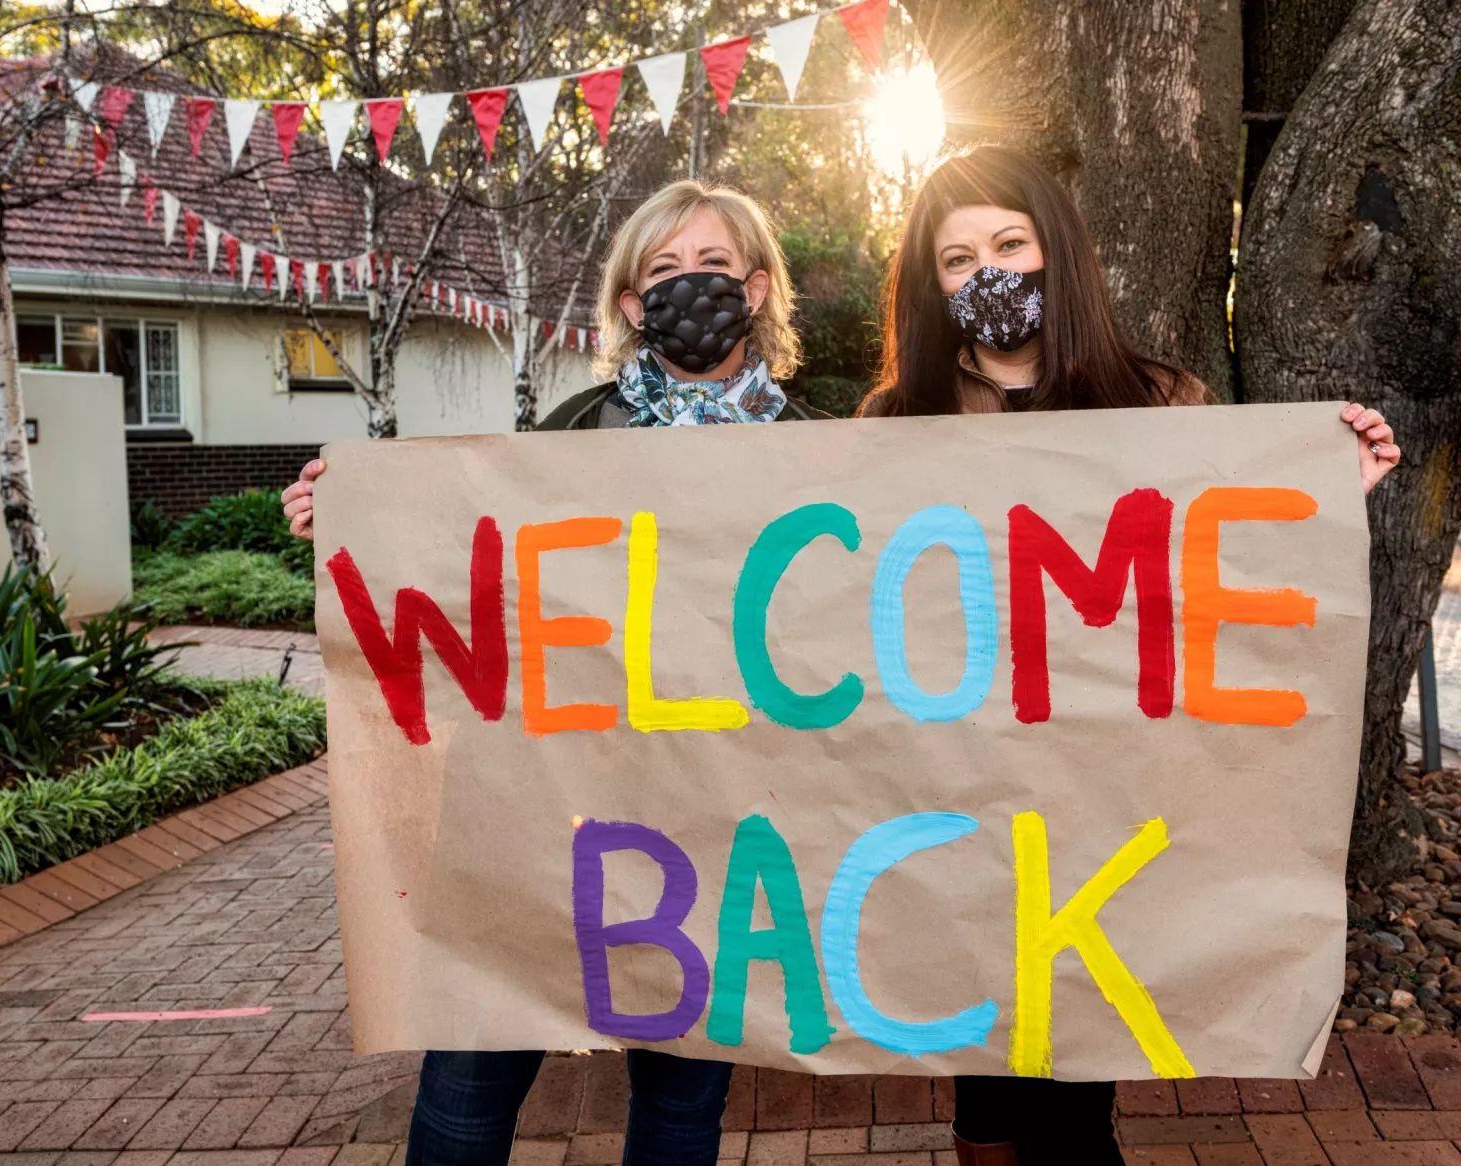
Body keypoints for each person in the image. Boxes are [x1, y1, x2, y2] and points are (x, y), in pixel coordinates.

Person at [859, 145, 1400, 1166]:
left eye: (1009, 243)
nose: (988, 271)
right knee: (982, 1092)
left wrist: (1330, 492)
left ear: (1056, 252)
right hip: (957, 801)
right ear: (930, 285)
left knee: (1069, 1092)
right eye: (957, 256)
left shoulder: (1157, 403)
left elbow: (1223, 570)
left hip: (1101, 803)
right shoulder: (895, 424)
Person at [281, 179, 829, 1165]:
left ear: (754, 288)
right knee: (464, 1093)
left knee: (677, 1110)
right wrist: (356, 514)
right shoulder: (570, 430)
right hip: (544, 808)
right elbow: (470, 558)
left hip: (715, 824)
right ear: (629, 304)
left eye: (709, 267)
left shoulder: (826, 451)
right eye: (662, 271)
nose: (686, 287)